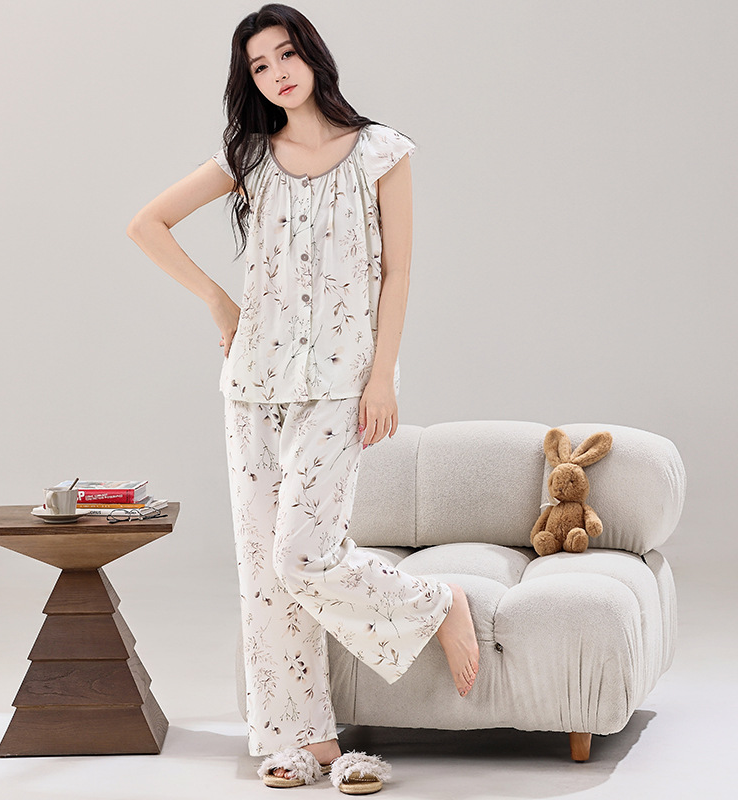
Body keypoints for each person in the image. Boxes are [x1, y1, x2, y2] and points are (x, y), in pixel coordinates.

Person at [127, 3, 479, 791]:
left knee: (303, 553)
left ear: (312, 56)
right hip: (253, 385)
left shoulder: (381, 151)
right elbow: (146, 224)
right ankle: (306, 744)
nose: (277, 73)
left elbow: (398, 272)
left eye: (286, 54)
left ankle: (436, 603)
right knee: (266, 569)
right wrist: (219, 302)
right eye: (260, 66)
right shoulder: (249, 155)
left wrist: (382, 376)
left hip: (342, 383)